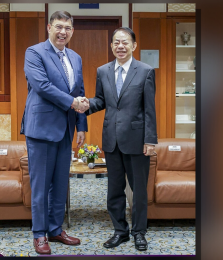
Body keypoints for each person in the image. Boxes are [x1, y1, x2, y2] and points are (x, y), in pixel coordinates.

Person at [80, 27, 157, 251]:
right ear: (112, 46)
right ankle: (120, 231)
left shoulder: (145, 71)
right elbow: (101, 101)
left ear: (134, 46)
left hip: (137, 140)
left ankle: (139, 232)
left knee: (138, 190)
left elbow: (149, 109)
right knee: (114, 190)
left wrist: (150, 140)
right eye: (116, 42)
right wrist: (86, 105)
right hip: (111, 140)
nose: (120, 46)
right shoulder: (103, 71)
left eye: (125, 42)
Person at [22, 10, 89, 255]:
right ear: (49, 27)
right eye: (58, 26)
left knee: (61, 184)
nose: (63, 32)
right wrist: (73, 103)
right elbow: (42, 86)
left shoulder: (75, 57)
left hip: (66, 130)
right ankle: (39, 234)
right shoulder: (35, 52)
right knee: (40, 185)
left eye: (68, 28)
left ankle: (55, 229)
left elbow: (79, 90)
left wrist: (81, 125)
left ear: (72, 31)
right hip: (40, 130)